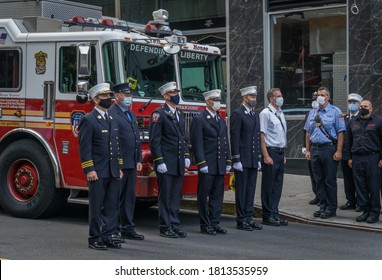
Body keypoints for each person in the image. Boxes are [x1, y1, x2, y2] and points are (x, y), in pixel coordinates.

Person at [78, 83, 123, 250]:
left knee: (111, 205)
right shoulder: (88, 120)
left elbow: (116, 145)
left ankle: (109, 234)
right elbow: (85, 148)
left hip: (112, 170)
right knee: (97, 206)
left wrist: (118, 166)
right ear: (96, 99)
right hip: (97, 171)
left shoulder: (111, 118)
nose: (108, 99)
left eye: (109, 96)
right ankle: (95, 237)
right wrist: (89, 169)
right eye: (105, 96)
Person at [149, 81, 190, 238]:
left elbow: (182, 138)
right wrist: (159, 161)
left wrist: (186, 156)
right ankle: (165, 226)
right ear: (165, 96)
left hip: (178, 162)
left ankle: (174, 224)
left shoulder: (179, 113)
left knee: (175, 196)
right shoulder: (158, 114)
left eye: (177, 92)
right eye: (173, 93)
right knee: (165, 196)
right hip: (166, 162)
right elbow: (155, 140)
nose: (176, 95)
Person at [190, 89, 232, 235]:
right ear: (208, 102)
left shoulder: (220, 119)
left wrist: (228, 159)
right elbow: (197, 143)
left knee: (217, 195)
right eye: (215, 100)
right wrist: (201, 162)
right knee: (204, 194)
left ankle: (215, 222)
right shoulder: (199, 119)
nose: (218, 103)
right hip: (207, 163)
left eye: (219, 100)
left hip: (219, 163)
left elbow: (225, 141)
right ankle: (205, 223)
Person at [108, 83, 144, 241]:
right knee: (115, 198)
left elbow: (136, 139)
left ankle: (127, 228)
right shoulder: (112, 113)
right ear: (117, 96)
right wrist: (117, 164)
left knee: (129, 198)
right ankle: (113, 229)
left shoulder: (131, 114)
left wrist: (139, 159)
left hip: (131, 162)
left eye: (130, 95)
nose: (129, 97)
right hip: (120, 164)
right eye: (126, 95)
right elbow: (113, 141)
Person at [304, 86, 346, 219]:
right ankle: (322, 205)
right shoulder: (313, 112)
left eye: (322, 95)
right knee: (319, 180)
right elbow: (308, 132)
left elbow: (340, 133)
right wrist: (308, 150)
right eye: (318, 95)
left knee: (329, 180)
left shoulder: (335, 111)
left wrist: (339, 151)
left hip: (328, 149)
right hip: (315, 149)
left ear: (328, 97)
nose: (319, 97)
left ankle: (331, 208)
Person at [230, 86, 263, 231]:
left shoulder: (254, 115)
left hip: (253, 159)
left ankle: (248, 217)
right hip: (242, 159)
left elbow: (256, 138)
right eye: (251, 96)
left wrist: (259, 158)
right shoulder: (238, 114)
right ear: (244, 98)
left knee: (250, 189)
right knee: (242, 190)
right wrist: (236, 159)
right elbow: (235, 138)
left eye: (255, 96)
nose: (254, 99)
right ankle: (241, 219)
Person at [344, 99, 382, 223]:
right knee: (360, 186)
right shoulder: (352, 122)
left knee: (373, 187)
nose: (362, 108)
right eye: (361, 106)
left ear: (371, 109)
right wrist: (349, 157)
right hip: (357, 158)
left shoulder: (378, 121)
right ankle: (365, 211)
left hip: (373, 158)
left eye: (365, 106)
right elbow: (348, 141)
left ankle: (374, 213)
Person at [259, 88, 288, 226]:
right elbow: (262, 135)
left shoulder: (280, 113)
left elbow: (282, 135)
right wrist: (265, 155)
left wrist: (284, 154)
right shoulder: (265, 113)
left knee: (277, 185)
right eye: (279, 96)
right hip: (270, 151)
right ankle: (267, 214)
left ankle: (275, 213)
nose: (281, 98)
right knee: (268, 185)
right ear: (271, 99)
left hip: (280, 152)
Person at [340, 93, 363, 212]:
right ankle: (351, 200)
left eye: (355, 102)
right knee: (347, 179)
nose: (352, 104)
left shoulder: (363, 118)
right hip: (345, 153)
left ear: (360, 104)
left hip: (357, 153)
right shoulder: (343, 118)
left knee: (359, 179)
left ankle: (361, 201)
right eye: (350, 102)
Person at [303, 92, 319, 205]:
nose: (314, 101)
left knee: (323, 175)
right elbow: (305, 132)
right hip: (312, 147)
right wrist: (305, 147)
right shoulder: (310, 113)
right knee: (313, 174)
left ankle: (324, 197)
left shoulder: (331, 112)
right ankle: (317, 195)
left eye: (316, 99)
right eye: (313, 99)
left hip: (324, 147)